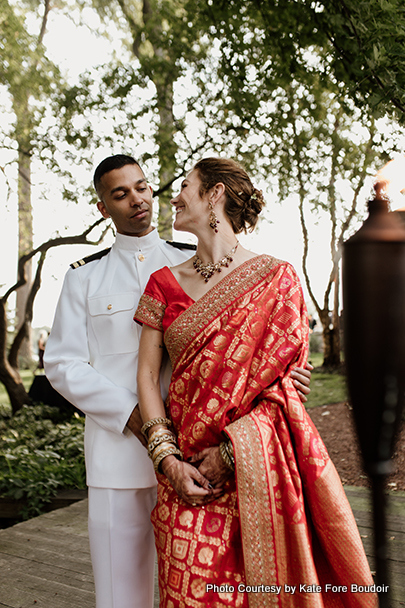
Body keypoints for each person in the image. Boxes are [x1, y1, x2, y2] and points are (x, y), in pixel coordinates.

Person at [44, 154, 312, 608]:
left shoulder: (191, 262)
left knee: (204, 587)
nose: (138, 199)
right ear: (102, 208)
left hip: (202, 448)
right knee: (120, 596)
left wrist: (285, 377)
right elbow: (63, 364)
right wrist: (132, 416)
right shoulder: (83, 278)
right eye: (120, 194)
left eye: (143, 186)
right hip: (120, 457)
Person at [135, 157, 376, 608]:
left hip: (256, 474)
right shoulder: (162, 284)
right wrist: (167, 460)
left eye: (185, 186)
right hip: (184, 476)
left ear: (215, 195)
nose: (173, 196)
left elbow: (287, 385)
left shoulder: (277, 277)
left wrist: (230, 452)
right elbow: (147, 377)